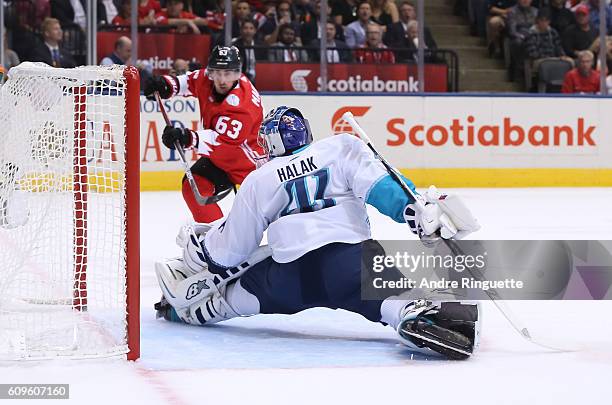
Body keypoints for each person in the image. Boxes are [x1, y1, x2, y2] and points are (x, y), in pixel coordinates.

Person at [154, 106, 482, 360]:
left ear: (268, 143)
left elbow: (232, 250)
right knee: (390, 300)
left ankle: (196, 310)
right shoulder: (340, 147)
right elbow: (381, 187)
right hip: (349, 262)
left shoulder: (259, 178)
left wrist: (199, 251)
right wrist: (414, 212)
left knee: (242, 298)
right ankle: (414, 316)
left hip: (289, 277)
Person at [143, 46, 265, 223]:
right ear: (211, 71)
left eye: (229, 73)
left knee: (270, 213)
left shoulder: (243, 105)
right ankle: (216, 239)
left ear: (238, 73)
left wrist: (187, 137)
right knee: (194, 189)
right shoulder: (208, 78)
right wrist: (165, 85)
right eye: (218, 72)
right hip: (222, 161)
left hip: (251, 166)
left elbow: (222, 141)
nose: (222, 79)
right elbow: (188, 82)